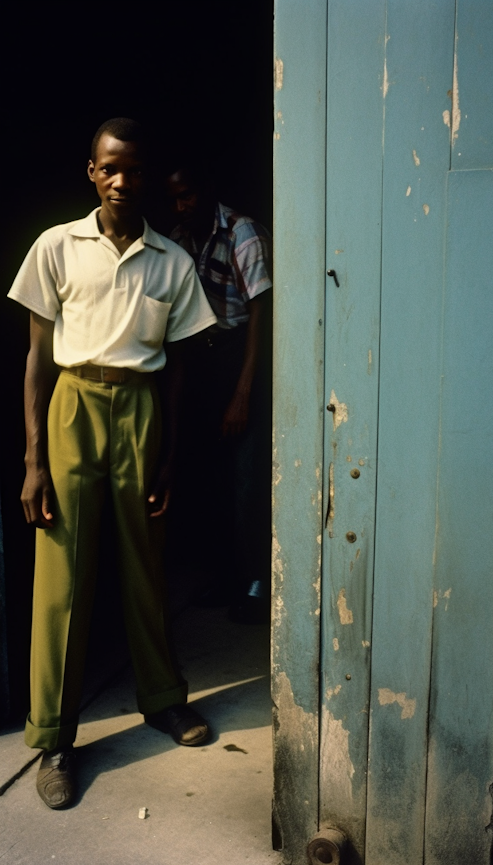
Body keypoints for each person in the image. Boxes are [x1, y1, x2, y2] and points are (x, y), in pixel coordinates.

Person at [8, 118, 217, 810]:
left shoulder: (172, 261)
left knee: (144, 563)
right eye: (110, 168)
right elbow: (37, 358)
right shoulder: (56, 247)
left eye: (134, 169)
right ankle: (55, 738)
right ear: (91, 172)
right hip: (72, 405)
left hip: (141, 411)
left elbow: (181, 370)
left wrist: (169, 460)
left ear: (148, 176)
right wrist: (34, 459)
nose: (123, 180)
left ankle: (162, 700)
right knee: (61, 576)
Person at [166, 165, 272, 621]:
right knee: (213, 478)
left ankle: (258, 583)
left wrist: (243, 393)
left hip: (243, 356)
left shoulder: (242, 232)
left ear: (208, 188)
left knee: (249, 478)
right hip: (203, 358)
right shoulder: (180, 237)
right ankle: (228, 576)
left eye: (187, 195)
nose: (180, 205)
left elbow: (260, 312)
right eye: (174, 198)